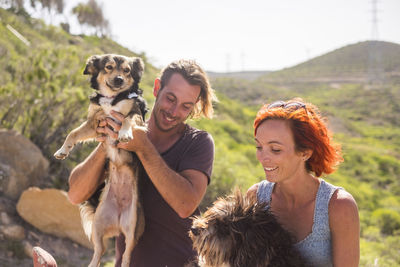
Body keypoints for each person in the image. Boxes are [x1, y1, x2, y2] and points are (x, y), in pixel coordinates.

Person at [67, 59, 216, 267]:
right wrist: (108, 144)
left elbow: (185, 205)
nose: (174, 112)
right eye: (170, 99)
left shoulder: (198, 143)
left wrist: (144, 147)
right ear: (157, 88)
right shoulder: (126, 132)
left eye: (186, 106)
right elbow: (75, 194)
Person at [247, 98, 360, 267]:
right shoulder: (255, 197)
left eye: (275, 149)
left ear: (305, 152)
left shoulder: (339, 206)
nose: (263, 158)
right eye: (259, 147)